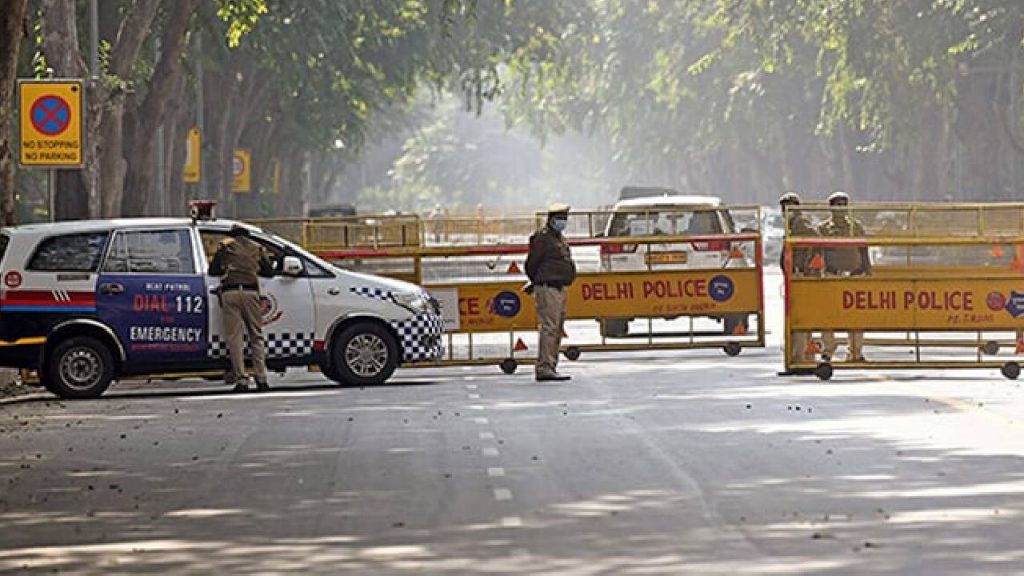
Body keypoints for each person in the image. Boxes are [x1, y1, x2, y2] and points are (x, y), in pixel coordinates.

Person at [208, 224, 276, 392]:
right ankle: (262, 378)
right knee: (256, 336)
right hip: (251, 293)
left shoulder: (225, 246)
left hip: (230, 293)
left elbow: (213, 270)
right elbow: (269, 272)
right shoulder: (257, 248)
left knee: (235, 339)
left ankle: (242, 380)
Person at [525, 203, 577, 382]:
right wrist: (538, 280)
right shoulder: (543, 238)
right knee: (549, 328)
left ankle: (551, 365)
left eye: (565, 218)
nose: (563, 221)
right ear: (551, 219)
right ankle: (544, 366)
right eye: (560, 218)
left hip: (559, 287)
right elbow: (531, 264)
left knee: (556, 328)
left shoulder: (559, 238)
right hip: (548, 287)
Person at [818, 191, 871, 362]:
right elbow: (819, 253)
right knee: (828, 315)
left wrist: (866, 269)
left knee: (855, 316)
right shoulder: (824, 229)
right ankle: (828, 349)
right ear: (830, 208)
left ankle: (855, 351)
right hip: (832, 276)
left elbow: (864, 250)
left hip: (854, 276)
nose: (840, 208)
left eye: (843, 205)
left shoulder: (856, 227)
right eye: (837, 205)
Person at [777, 192, 818, 375]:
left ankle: (800, 360)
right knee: (798, 320)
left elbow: (813, 238)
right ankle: (802, 359)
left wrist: (804, 266)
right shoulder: (791, 225)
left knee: (798, 320)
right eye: (784, 207)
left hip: (800, 278)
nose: (786, 210)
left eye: (789, 206)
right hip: (794, 278)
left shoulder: (800, 224)